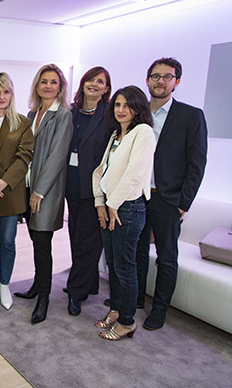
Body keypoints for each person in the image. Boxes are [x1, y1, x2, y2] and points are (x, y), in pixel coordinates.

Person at [136, 58, 208, 331]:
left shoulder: (191, 116)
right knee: (137, 251)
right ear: (147, 80)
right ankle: (136, 298)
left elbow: (197, 163)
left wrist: (183, 203)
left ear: (177, 82)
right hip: (138, 195)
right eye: (155, 76)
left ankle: (159, 309)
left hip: (168, 199)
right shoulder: (137, 114)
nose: (161, 81)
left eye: (167, 77)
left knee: (166, 257)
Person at [92, 85, 156, 341]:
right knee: (113, 264)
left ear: (138, 108)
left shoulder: (144, 132)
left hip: (127, 208)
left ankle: (128, 321)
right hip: (111, 204)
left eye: (127, 105)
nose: (121, 109)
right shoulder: (117, 134)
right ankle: (116, 310)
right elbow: (103, 171)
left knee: (125, 267)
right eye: (117, 104)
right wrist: (100, 201)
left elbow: (134, 174)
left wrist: (113, 204)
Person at [14, 64, 73, 325]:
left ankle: (44, 298)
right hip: (27, 186)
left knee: (42, 243)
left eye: (53, 82)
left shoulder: (63, 115)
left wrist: (39, 191)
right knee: (35, 240)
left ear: (60, 87)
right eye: (43, 82)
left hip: (45, 190)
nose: (48, 86)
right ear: (37, 86)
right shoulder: (31, 114)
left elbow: (58, 156)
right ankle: (37, 285)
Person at [0, 72, 34, 310]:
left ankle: (4, 284)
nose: (2, 96)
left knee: (8, 242)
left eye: (6, 92)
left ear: (12, 94)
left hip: (10, 191)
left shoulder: (22, 123)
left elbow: (24, 157)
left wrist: (3, 182)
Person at [64, 67, 112, 316]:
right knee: (75, 235)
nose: (94, 84)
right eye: (90, 79)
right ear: (82, 84)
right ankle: (89, 282)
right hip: (71, 185)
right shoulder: (71, 112)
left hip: (95, 188)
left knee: (88, 241)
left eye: (100, 81)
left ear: (106, 89)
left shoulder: (110, 115)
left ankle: (75, 292)